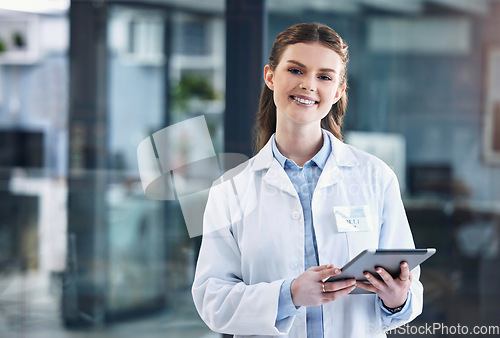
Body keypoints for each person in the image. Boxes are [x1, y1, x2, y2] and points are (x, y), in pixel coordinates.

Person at [192, 22, 423, 338]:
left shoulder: (375, 176)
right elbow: (212, 300)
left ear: (339, 90)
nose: (308, 85)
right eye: (296, 70)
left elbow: (408, 283)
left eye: (324, 76)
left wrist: (398, 299)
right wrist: (290, 295)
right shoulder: (230, 190)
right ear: (271, 77)